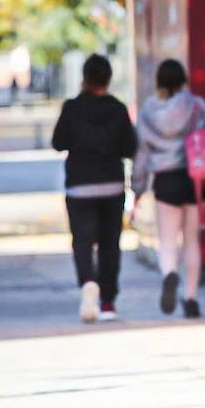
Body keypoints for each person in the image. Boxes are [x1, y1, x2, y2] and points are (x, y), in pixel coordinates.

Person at [52, 54, 137, 323]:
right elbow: (130, 148)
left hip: (79, 187)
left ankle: (89, 281)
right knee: (110, 244)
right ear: (108, 79)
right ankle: (109, 302)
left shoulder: (71, 108)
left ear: (84, 77)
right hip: (112, 186)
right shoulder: (118, 108)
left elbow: (58, 142)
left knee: (83, 241)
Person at [131, 59, 205, 318]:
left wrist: (138, 187)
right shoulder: (197, 107)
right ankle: (191, 299)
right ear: (183, 79)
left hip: (165, 180)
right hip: (195, 178)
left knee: (167, 242)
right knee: (191, 242)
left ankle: (169, 274)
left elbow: (141, 153)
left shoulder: (147, 112)